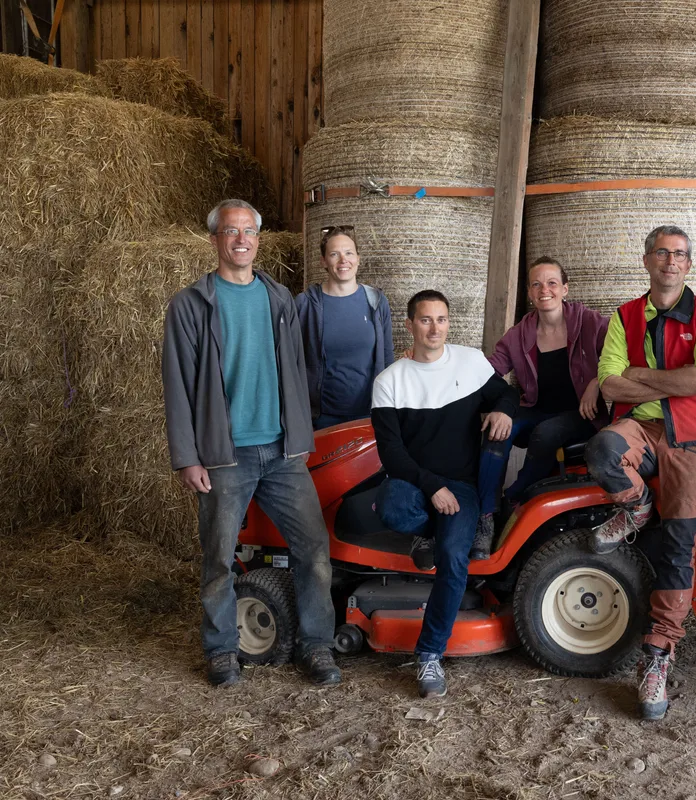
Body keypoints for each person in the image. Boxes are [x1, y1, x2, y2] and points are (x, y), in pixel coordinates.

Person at [162, 199, 340, 688]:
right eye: (231, 231)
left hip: (281, 452)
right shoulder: (192, 303)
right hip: (224, 456)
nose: (241, 240)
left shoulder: (280, 298)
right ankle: (221, 651)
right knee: (218, 556)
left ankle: (316, 646)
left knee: (313, 550)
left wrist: (301, 435)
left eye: (249, 232)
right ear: (216, 239)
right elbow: (176, 383)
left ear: (258, 240)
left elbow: (298, 372)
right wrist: (187, 457)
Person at [585, 225, 696, 721]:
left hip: (693, 439)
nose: (671, 261)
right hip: (641, 432)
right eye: (662, 253)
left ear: (689, 265)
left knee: (678, 542)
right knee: (602, 449)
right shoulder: (624, 316)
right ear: (647, 260)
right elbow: (609, 384)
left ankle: (658, 654)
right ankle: (637, 505)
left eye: (680, 255)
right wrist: (669, 387)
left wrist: (641, 377)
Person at [370, 290, 518, 698]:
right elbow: (391, 455)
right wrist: (432, 488)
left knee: (454, 560)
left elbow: (505, 393)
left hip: (463, 487)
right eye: (425, 320)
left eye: (441, 319)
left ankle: (430, 653)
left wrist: (503, 409)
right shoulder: (390, 381)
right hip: (417, 484)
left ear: (449, 323)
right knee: (391, 505)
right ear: (410, 324)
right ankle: (429, 529)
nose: (434, 328)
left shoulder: (469, 362)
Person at [473, 256, 609, 557]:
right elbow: (489, 371)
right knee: (497, 431)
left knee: (547, 433)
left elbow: (619, 351)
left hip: (580, 414)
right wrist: (441, 363)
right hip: (535, 409)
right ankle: (485, 517)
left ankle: (515, 497)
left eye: (551, 283)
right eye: (536, 284)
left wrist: (596, 382)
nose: (543, 289)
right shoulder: (519, 334)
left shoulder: (589, 322)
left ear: (564, 289)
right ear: (530, 293)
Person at [295, 225, 395, 430]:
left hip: (369, 414)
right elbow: (291, 359)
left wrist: (388, 407)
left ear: (358, 257)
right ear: (323, 260)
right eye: (334, 254)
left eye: (349, 253)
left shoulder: (376, 301)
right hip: (320, 418)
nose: (343, 260)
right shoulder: (306, 304)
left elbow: (387, 357)